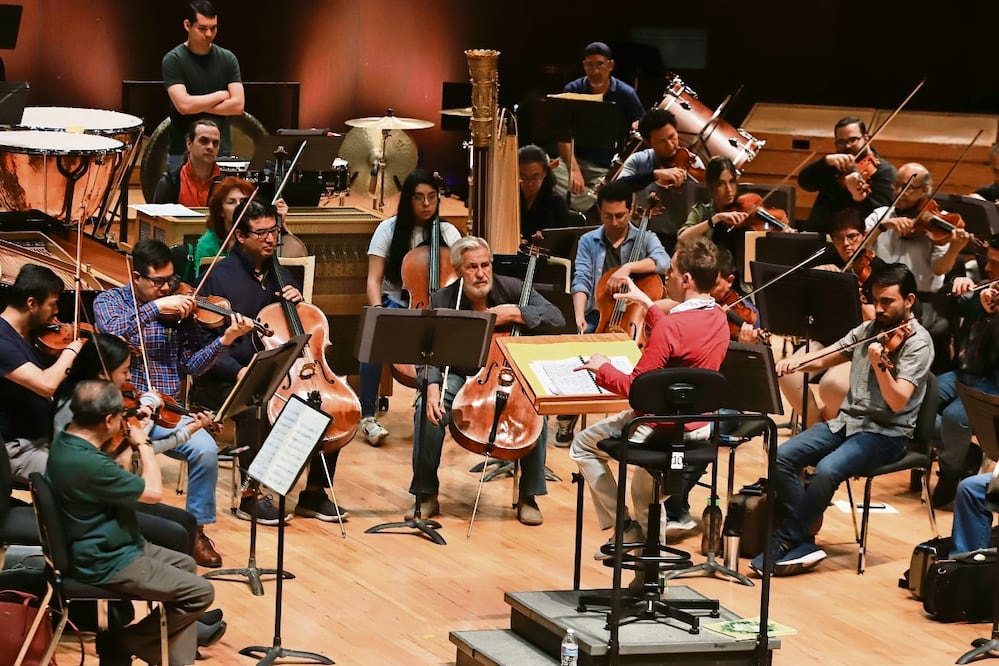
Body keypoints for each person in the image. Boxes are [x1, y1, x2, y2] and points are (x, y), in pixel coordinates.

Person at [755, 263, 933, 576]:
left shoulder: (919, 343)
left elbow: (897, 401)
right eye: (875, 301)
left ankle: (786, 540)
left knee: (826, 470)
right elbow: (830, 354)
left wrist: (881, 366)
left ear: (909, 300)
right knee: (782, 456)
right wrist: (795, 363)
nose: (878, 309)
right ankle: (803, 537)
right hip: (848, 423)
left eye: (887, 302)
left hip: (886, 434)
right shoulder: (868, 332)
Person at [50, 333, 227, 645]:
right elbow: (150, 488)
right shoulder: (84, 446)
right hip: (104, 546)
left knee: (185, 556)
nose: (131, 379)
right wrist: (142, 440)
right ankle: (131, 641)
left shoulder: (78, 435)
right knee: (196, 577)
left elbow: (124, 453)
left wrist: (183, 429)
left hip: (107, 522)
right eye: (126, 371)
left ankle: (177, 634)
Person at [94, 239, 255, 566]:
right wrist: (156, 307)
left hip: (169, 411)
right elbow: (112, 331)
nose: (169, 288)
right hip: (123, 412)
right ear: (137, 276)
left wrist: (225, 339)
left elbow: (190, 365)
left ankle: (194, 529)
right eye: (158, 282)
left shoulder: (182, 312)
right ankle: (124, 531)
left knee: (206, 449)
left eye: (171, 279)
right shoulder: (110, 301)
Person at [569, 236, 729, 557]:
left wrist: (601, 367)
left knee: (583, 445)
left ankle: (623, 528)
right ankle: (651, 571)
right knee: (643, 492)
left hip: (659, 427)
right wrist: (647, 302)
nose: (666, 276)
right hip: (698, 427)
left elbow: (635, 390)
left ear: (685, 279)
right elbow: (680, 331)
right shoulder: (719, 318)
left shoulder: (670, 328)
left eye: (670, 271)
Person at [200, 199, 350, 523]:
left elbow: (297, 332)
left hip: (278, 371)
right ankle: (250, 496)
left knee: (328, 401)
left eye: (274, 231)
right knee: (257, 404)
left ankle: (314, 492)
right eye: (262, 233)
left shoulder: (282, 275)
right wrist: (237, 370)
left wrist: (299, 303)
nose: (270, 239)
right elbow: (203, 341)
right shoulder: (218, 276)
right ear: (240, 236)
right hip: (229, 373)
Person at [410, 236, 564, 525]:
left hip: (506, 372)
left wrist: (516, 312)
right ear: (458, 270)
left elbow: (555, 317)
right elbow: (427, 351)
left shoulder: (513, 289)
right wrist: (430, 385)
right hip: (459, 372)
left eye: (485, 265)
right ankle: (425, 494)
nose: (481, 273)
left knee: (532, 409)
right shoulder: (444, 299)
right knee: (426, 410)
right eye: (472, 267)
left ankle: (528, 495)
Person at [561, 180, 669, 444]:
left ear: (631, 210)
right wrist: (578, 316)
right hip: (602, 315)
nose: (614, 221)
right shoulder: (589, 240)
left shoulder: (647, 238)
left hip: (635, 321)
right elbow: (582, 280)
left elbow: (664, 262)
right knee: (576, 350)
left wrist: (628, 268)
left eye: (620, 215)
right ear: (599, 211)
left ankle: (638, 418)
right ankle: (568, 416)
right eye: (608, 216)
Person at [360, 170, 462, 445]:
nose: (427, 204)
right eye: (419, 198)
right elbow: (374, 279)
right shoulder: (388, 229)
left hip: (437, 308)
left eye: (432, 197)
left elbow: (461, 276)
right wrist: (379, 310)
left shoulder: (447, 232)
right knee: (372, 335)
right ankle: (368, 416)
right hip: (397, 303)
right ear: (408, 200)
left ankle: (443, 406)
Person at [777, 208, 882, 428]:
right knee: (786, 373)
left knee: (831, 385)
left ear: (864, 235)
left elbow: (876, 323)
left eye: (852, 236)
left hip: (860, 346)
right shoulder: (830, 263)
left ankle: (832, 429)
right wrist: (817, 279)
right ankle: (814, 426)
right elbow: (809, 310)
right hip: (828, 339)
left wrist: (853, 291)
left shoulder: (880, 273)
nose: (846, 244)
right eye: (839, 239)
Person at [866, 162, 971, 373]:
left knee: (938, 330)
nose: (898, 192)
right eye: (895, 186)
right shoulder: (880, 215)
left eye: (906, 188)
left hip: (922, 300)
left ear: (925, 190)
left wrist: (954, 248)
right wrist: (883, 227)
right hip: (881, 296)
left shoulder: (936, 222)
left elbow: (939, 269)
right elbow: (861, 248)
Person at [930, 236, 999, 507]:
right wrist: (954, 287)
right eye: (988, 260)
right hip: (959, 374)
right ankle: (962, 452)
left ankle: (950, 471)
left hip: (992, 382)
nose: (988, 268)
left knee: (954, 417)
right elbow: (940, 304)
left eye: (995, 263)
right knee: (914, 402)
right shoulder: (984, 287)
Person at [0, 265, 85, 484]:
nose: (56, 312)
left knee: (102, 462)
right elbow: (45, 384)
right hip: (17, 450)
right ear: (32, 303)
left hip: (44, 439)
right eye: (53, 304)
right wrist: (72, 350)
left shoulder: (31, 334)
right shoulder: (1, 340)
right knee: (83, 479)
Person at [553, 41, 643, 214]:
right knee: (548, 175)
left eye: (600, 64)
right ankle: (595, 202)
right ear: (584, 66)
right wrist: (573, 170)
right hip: (574, 160)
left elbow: (640, 127)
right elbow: (562, 135)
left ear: (610, 65)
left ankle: (589, 201)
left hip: (604, 166)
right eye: (589, 65)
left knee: (617, 186)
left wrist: (636, 126)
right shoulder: (573, 89)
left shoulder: (626, 94)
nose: (594, 71)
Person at [162, 0, 243, 172]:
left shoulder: (228, 59)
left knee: (219, 199)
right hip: (182, 153)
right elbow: (183, 106)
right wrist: (220, 95)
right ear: (187, 25)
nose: (209, 34)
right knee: (179, 200)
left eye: (213, 28)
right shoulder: (173, 60)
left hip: (220, 153)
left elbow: (238, 106)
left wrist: (196, 105)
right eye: (202, 28)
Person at [617, 108, 706, 251]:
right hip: (643, 238)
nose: (671, 145)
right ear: (648, 142)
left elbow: (704, 203)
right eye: (662, 141)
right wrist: (655, 174)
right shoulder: (638, 161)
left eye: (672, 137)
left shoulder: (692, 163)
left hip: (681, 241)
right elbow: (618, 189)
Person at [797, 116, 896, 233]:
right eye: (841, 142)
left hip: (855, 241)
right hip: (820, 235)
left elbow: (880, 214)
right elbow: (805, 182)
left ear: (866, 138)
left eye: (853, 140)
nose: (847, 146)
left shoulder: (884, 171)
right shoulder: (834, 166)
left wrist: (859, 198)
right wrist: (825, 161)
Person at [192, 175, 298, 277]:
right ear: (221, 211)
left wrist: (281, 224)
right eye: (231, 202)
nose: (239, 206)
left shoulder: (258, 236)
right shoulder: (208, 243)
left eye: (244, 201)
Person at [152, 118, 222, 206]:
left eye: (215, 143)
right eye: (204, 141)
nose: (210, 147)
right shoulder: (169, 183)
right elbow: (156, 219)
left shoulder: (226, 182)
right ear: (189, 143)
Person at [518, 144, 569, 241]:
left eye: (535, 177)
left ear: (545, 173)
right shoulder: (509, 199)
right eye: (523, 177)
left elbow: (563, 241)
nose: (529, 183)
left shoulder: (557, 203)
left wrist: (546, 241)